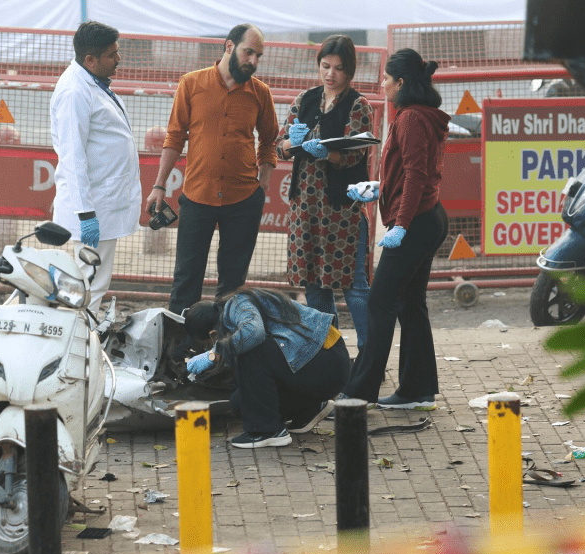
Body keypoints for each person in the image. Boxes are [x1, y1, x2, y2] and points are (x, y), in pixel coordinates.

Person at [341, 48, 450, 410]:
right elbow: (410, 173)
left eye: (386, 78)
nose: (382, 84)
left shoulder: (411, 119)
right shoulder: (418, 116)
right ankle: (417, 390)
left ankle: (360, 393)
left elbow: (417, 174)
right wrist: (379, 189)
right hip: (426, 216)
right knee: (409, 304)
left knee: (380, 301)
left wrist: (400, 223)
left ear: (401, 82)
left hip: (416, 222)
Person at [146, 23, 279, 314]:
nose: (253, 62)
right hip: (196, 196)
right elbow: (175, 137)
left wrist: (263, 185)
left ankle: (223, 350)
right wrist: (159, 186)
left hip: (244, 200)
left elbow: (269, 141)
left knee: (233, 287)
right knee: (185, 282)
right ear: (229, 47)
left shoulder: (260, 93)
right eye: (248, 52)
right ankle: (178, 352)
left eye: (258, 56)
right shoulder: (192, 84)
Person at [276, 35, 374, 349]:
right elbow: (279, 147)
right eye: (325, 66)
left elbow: (357, 152)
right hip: (304, 206)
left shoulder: (358, 105)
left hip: (340, 209)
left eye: (338, 68)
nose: (330, 74)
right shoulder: (303, 100)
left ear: (350, 72)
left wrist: (327, 154)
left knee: (354, 285)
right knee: (314, 285)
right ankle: (331, 353)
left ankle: (369, 353)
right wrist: (292, 142)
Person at [50, 20, 141, 314]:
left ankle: (83, 341)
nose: (118, 59)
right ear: (91, 60)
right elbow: (72, 156)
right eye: (112, 54)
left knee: (92, 283)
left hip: (103, 201)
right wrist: (86, 213)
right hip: (93, 207)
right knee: (88, 285)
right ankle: (79, 345)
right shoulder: (75, 92)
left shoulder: (91, 84)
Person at [184, 288, 349, 448]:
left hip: (328, 361)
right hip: (319, 367)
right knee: (240, 403)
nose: (211, 347)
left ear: (213, 334)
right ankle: (308, 409)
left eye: (209, 344)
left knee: (252, 350)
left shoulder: (237, 303)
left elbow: (254, 333)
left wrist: (215, 353)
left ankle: (268, 432)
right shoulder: (236, 312)